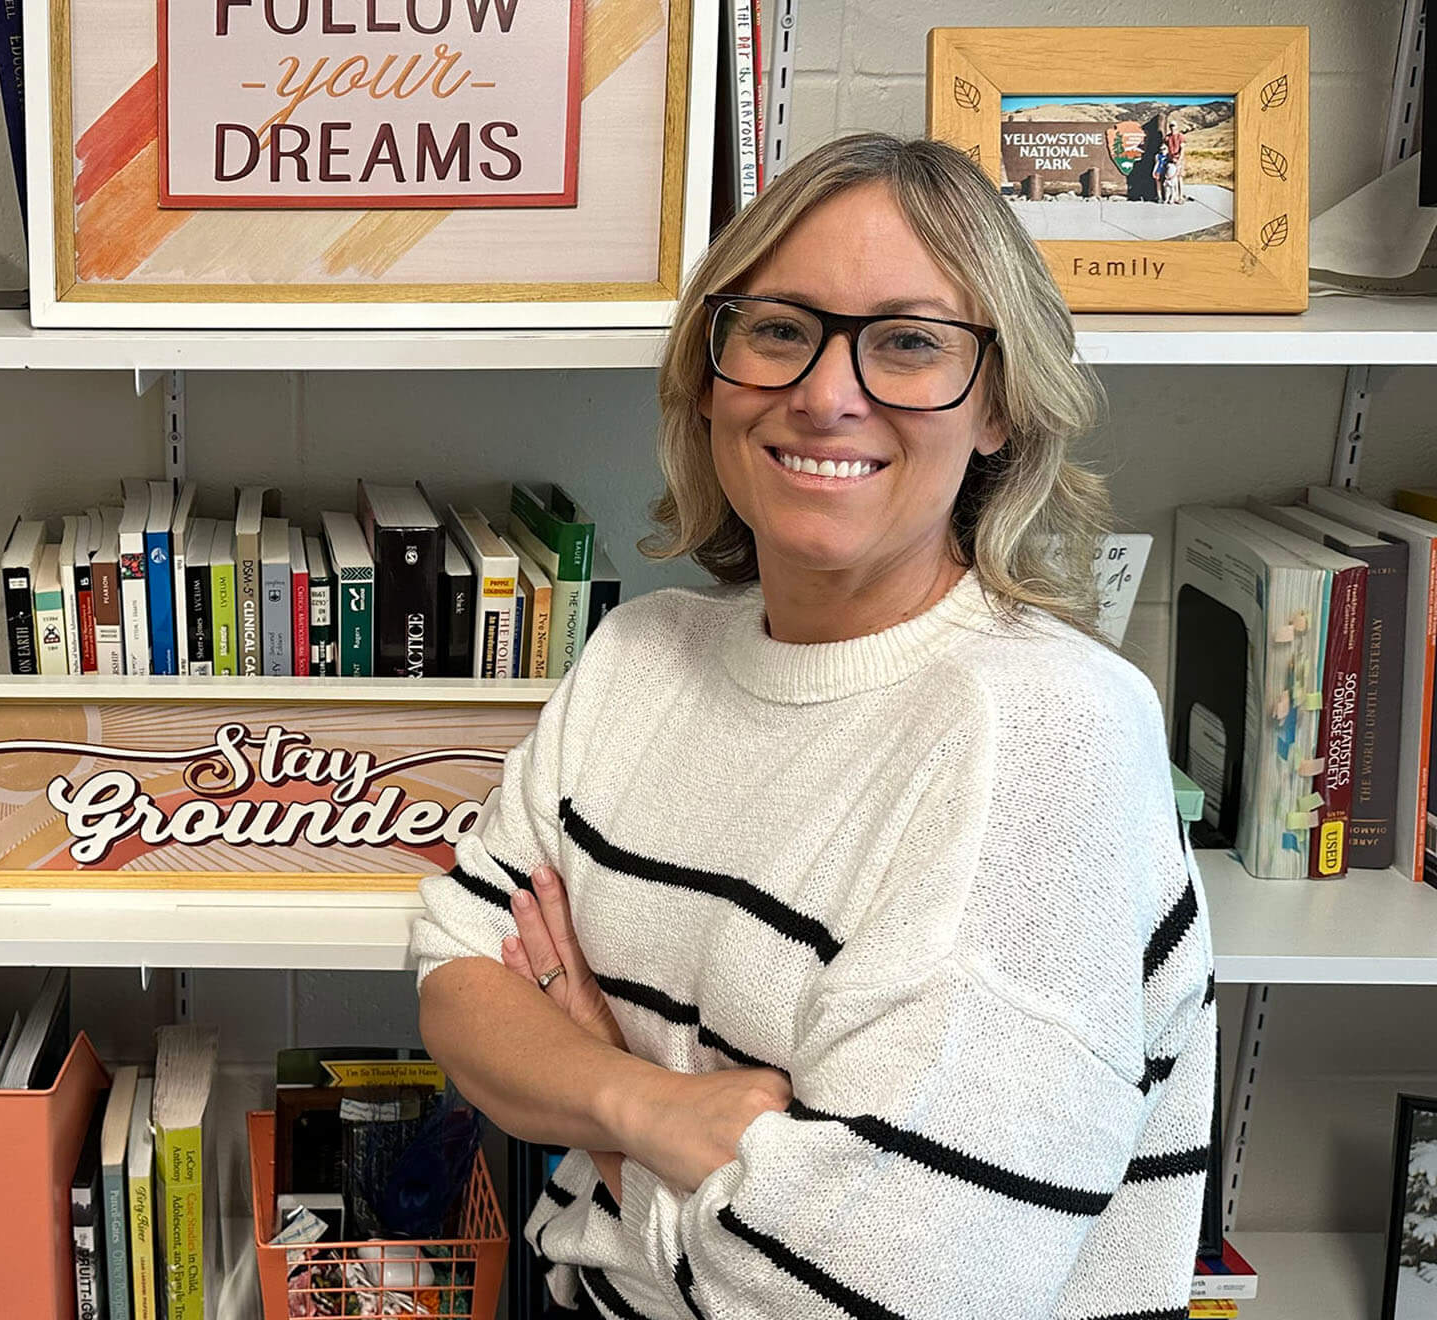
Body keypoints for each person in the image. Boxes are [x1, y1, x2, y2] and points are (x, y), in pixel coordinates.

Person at [412, 132, 1212, 1320]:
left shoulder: (1049, 736)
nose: (825, 393)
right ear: (711, 367)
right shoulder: (641, 657)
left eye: (907, 343)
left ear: (999, 408)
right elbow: (454, 979)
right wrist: (653, 1107)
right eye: (780, 328)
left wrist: (587, 1102)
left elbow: (864, 1295)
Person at [1163, 117, 1187, 204]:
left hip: (1178, 159)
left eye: (1173, 125)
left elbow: (1183, 148)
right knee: (1172, 178)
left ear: (1177, 126)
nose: (1172, 127)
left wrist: (1179, 159)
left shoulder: (1180, 136)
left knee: (1179, 178)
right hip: (1170, 160)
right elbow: (1165, 147)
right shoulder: (1168, 137)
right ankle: (1173, 196)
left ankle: (1180, 196)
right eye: (1171, 126)